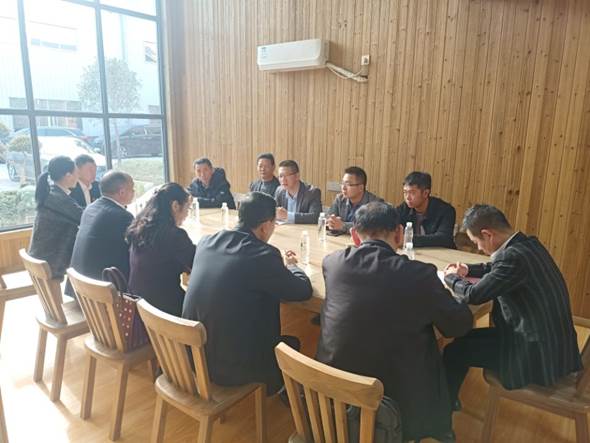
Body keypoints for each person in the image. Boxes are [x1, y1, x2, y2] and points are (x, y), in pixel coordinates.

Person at [316, 201, 472, 442]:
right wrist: (458, 290)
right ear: (399, 234)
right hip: (396, 401)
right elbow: (458, 325)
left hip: (334, 392)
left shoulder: (333, 262)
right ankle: (438, 426)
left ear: (355, 236)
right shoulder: (420, 274)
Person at [443, 204, 582, 409]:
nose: (478, 248)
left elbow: (474, 295)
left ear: (488, 235)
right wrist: (468, 269)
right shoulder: (528, 244)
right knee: (464, 337)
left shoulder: (512, 258)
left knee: (454, 352)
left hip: (536, 355)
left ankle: (443, 409)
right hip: (554, 345)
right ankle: (449, 402)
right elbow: (495, 267)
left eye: (476, 242)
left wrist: (451, 278)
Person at [182, 191, 312, 394]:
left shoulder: (207, 242)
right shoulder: (263, 254)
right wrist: (293, 266)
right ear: (266, 225)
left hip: (195, 354)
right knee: (291, 343)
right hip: (230, 368)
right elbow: (302, 291)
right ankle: (279, 389)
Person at [127, 183, 196, 316]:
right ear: (175, 206)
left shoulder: (140, 227)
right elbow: (196, 265)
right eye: (187, 207)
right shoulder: (175, 235)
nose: (187, 214)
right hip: (164, 313)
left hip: (138, 307)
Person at [67, 171, 135, 297]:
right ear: (122, 192)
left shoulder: (91, 208)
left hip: (79, 287)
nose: (134, 192)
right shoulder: (121, 216)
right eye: (132, 188)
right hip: (98, 294)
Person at [28, 156, 82, 280]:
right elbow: (83, 217)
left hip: (41, 259)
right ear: (68, 175)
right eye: (76, 173)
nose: (78, 177)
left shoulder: (52, 193)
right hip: (52, 263)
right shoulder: (58, 198)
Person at [397, 171, 456, 248]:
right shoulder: (403, 209)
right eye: (405, 192)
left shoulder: (446, 211)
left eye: (412, 193)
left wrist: (408, 239)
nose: (407, 197)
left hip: (442, 253)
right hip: (414, 252)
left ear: (425, 193)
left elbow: (443, 238)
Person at [327, 166, 383, 234]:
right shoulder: (339, 199)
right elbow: (329, 218)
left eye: (348, 184)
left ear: (361, 188)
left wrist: (343, 226)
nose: (343, 188)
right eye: (342, 183)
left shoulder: (375, 204)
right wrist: (331, 221)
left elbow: (370, 228)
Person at [274, 160, 322, 224]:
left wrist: (287, 215)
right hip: (284, 228)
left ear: (297, 176)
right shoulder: (279, 191)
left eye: (286, 175)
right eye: (280, 176)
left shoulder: (312, 192)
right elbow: (272, 212)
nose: (283, 179)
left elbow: (315, 217)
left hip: (303, 229)